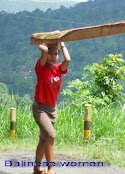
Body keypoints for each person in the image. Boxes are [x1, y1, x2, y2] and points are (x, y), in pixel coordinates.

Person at [32, 40, 71, 174]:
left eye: (55, 54)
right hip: (40, 108)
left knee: (44, 139)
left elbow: (68, 59)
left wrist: (62, 43)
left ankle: (37, 169)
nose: (53, 56)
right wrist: (43, 46)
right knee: (51, 136)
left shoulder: (59, 69)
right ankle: (51, 168)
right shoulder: (41, 67)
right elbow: (43, 51)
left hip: (51, 110)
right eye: (50, 53)